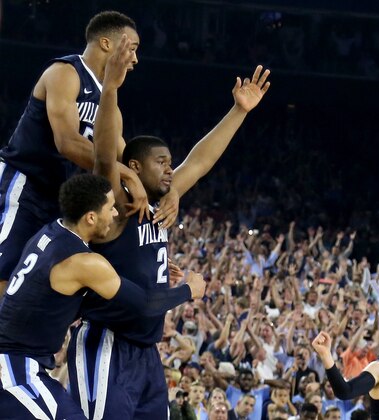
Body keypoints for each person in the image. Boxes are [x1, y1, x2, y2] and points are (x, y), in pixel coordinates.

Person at [66, 34, 271, 419]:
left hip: (146, 351)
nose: (170, 169)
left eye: (169, 161)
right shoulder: (118, 204)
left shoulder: (161, 203)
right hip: (108, 342)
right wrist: (110, 87)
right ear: (137, 167)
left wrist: (238, 111)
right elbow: (107, 153)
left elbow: (200, 161)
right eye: (161, 162)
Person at [0, 174, 205, 419]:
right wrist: (188, 289)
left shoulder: (51, 232)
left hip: (25, 364)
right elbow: (144, 305)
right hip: (14, 368)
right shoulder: (84, 263)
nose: (116, 214)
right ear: (90, 217)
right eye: (111, 208)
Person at [0, 11, 170, 298]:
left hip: (60, 198)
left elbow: (129, 159)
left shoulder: (108, 102)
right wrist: (126, 173)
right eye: (133, 48)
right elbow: (67, 142)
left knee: (38, 282)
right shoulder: (65, 72)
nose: (136, 59)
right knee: (4, 274)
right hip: (25, 183)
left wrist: (170, 193)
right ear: (106, 43)